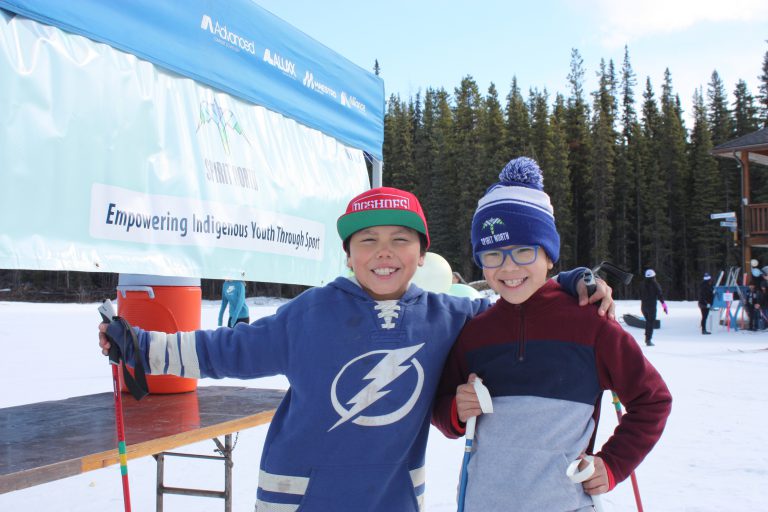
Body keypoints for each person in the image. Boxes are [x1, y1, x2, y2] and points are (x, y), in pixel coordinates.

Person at [98, 186, 615, 512]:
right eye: (367, 240)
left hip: (392, 499)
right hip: (299, 498)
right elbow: (225, 350)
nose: (384, 252)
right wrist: (141, 347)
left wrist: (569, 283)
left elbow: (516, 299)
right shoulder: (310, 313)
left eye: (400, 240)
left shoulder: (449, 316)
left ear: (421, 255)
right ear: (348, 255)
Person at [431, 157, 672, 512]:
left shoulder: (591, 325)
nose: (508, 267)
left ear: (549, 256)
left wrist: (613, 463)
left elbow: (652, 400)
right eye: (493, 254)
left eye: (524, 251)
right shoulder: (475, 333)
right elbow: (441, 409)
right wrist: (455, 408)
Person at [640, 268, 667, 346]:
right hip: (651, 307)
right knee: (650, 322)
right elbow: (660, 296)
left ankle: (647, 338)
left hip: (643, 306)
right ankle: (648, 340)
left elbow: (640, 294)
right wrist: (664, 306)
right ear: (654, 276)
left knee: (648, 322)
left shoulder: (642, 284)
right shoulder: (655, 284)